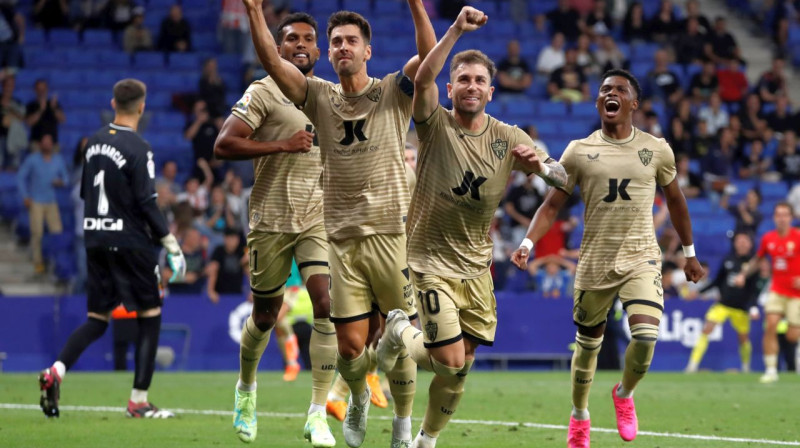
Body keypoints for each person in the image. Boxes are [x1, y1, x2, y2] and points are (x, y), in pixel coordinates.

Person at [242, 1, 436, 446]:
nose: (342, 47)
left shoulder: (392, 91)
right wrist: (254, 10)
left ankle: (403, 427)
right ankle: (356, 395)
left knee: (401, 338)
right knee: (350, 347)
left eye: (351, 41)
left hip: (391, 236)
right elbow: (272, 61)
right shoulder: (318, 95)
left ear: (368, 50)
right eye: (336, 43)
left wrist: (415, 4)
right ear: (328, 55)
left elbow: (427, 58)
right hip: (342, 243)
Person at [376, 7, 567, 448]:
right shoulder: (433, 122)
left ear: (491, 91)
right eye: (463, 79)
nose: (471, 86)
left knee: (461, 369)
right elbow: (421, 80)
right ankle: (400, 328)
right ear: (450, 87)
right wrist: (456, 30)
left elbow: (562, 179)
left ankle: (427, 439)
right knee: (448, 357)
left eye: (480, 81)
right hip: (429, 260)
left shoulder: (509, 135)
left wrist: (540, 166)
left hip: (477, 268)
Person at [510, 69, 705, 447]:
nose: (610, 94)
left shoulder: (657, 149)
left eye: (619, 89)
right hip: (595, 261)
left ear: (634, 103)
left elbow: (677, 201)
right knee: (587, 347)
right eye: (604, 90)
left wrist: (689, 253)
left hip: (641, 257)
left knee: (646, 336)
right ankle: (579, 414)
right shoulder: (579, 151)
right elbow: (552, 205)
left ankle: (624, 394)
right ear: (597, 101)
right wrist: (528, 243)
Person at [37, 78, 186, 419]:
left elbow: (85, 196)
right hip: (131, 242)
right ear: (142, 107)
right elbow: (148, 204)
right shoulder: (140, 148)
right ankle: (138, 401)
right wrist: (171, 243)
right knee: (150, 314)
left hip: (94, 239)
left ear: (112, 104)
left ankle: (56, 371)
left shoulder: (92, 144)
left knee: (97, 319)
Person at [734, 202, 800, 383]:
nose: (782, 218)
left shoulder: (798, 237)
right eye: (778, 214)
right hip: (777, 290)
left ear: (791, 218)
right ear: (774, 217)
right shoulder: (768, 238)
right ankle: (771, 371)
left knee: (792, 336)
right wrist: (743, 275)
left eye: (785, 214)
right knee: (770, 325)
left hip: (797, 294)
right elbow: (757, 260)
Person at [686, 232, 760, 373]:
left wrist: (754, 307)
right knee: (706, 329)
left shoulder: (753, 264)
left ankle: (746, 367)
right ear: (735, 243)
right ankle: (692, 365)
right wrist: (699, 292)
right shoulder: (728, 259)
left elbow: (754, 289)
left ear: (750, 244)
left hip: (741, 307)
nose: (742, 243)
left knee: (743, 339)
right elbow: (717, 281)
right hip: (723, 304)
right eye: (739, 241)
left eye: (745, 241)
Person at [17, 133, 69, 275]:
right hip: (36, 202)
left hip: (51, 201)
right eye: (44, 142)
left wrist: (61, 182)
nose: (47, 144)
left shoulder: (58, 159)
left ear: (52, 144)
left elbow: (66, 178)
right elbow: (21, 177)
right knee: (37, 233)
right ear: (40, 144)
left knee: (57, 233)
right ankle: (38, 263)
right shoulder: (32, 159)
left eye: (49, 142)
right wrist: (25, 196)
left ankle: (56, 261)